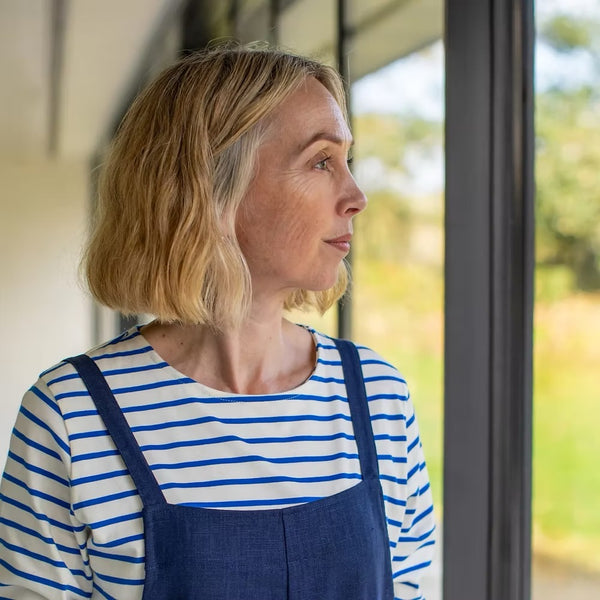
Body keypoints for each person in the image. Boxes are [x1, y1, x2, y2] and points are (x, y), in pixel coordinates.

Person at [0, 45, 436, 599]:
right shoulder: (70, 416)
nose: (356, 196)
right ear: (211, 187)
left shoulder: (377, 397)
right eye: (321, 162)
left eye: (347, 161)